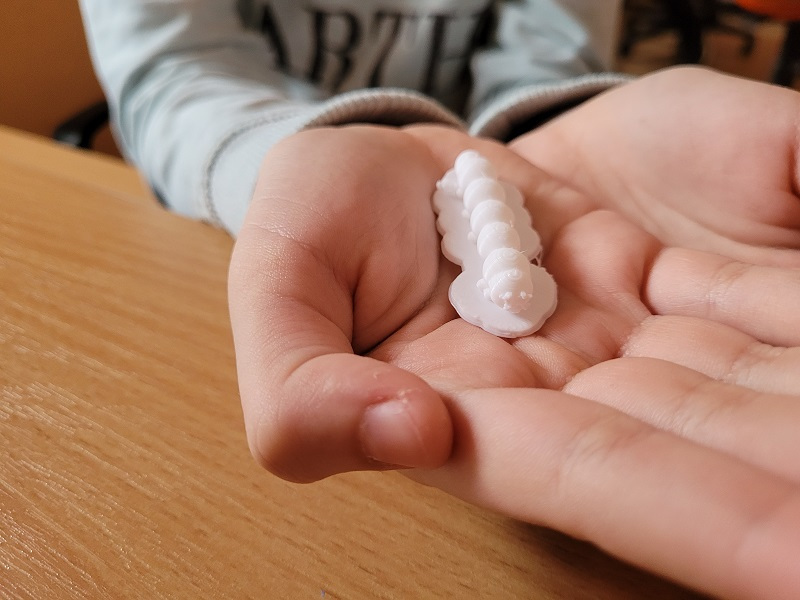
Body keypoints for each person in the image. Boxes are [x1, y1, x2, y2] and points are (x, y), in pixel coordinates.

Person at [79, 2, 800, 598]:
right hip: (202, 256)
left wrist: (548, 136)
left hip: (505, 170)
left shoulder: (509, 249)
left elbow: (549, 51)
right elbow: (175, 72)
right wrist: (316, 151)